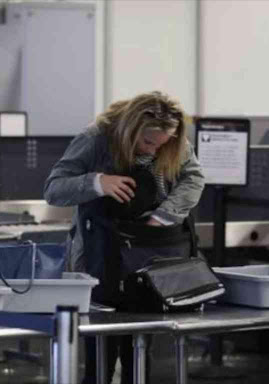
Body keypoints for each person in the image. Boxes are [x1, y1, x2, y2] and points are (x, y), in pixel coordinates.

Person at [44, 91, 205, 384]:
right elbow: (54, 189)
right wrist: (97, 182)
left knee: (140, 352)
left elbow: (193, 178)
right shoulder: (96, 138)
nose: (155, 151)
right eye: (147, 143)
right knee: (100, 355)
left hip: (149, 255)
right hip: (100, 256)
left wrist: (164, 216)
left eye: (163, 144)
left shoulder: (172, 141)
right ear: (130, 130)